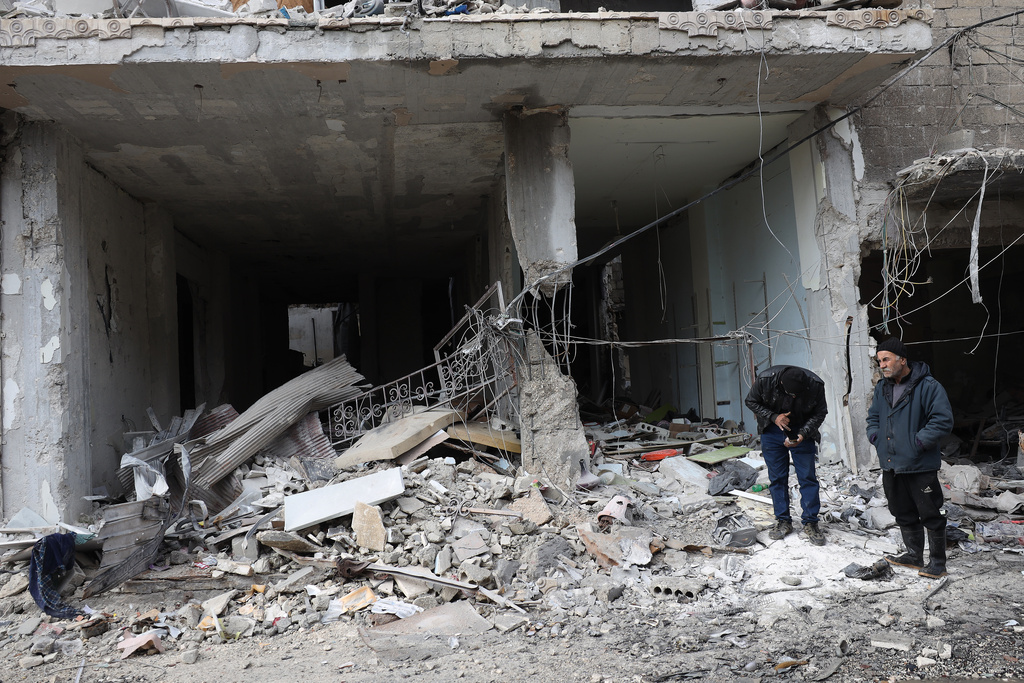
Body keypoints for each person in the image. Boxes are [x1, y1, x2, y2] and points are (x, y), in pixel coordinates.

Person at [867, 337, 954, 579]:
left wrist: (917, 442)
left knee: (930, 512)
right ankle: (914, 555)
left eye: (886, 359)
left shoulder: (928, 386)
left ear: (902, 360)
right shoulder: (882, 388)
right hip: (891, 463)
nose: (882, 365)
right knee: (901, 510)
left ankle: (937, 563)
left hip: (919, 463)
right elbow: (873, 418)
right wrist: (875, 436)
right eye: (879, 361)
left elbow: (942, 420)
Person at [745, 365, 828, 545]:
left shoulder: (814, 384)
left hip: (801, 429)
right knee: (777, 478)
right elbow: (751, 401)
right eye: (791, 394)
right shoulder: (765, 380)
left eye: (797, 395)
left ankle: (811, 522)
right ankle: (783, 521)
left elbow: (820, 412)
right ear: (781, 384)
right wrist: (774, 417)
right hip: (772, 430)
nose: (794, 398)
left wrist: (803, 434)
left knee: (807, 477)